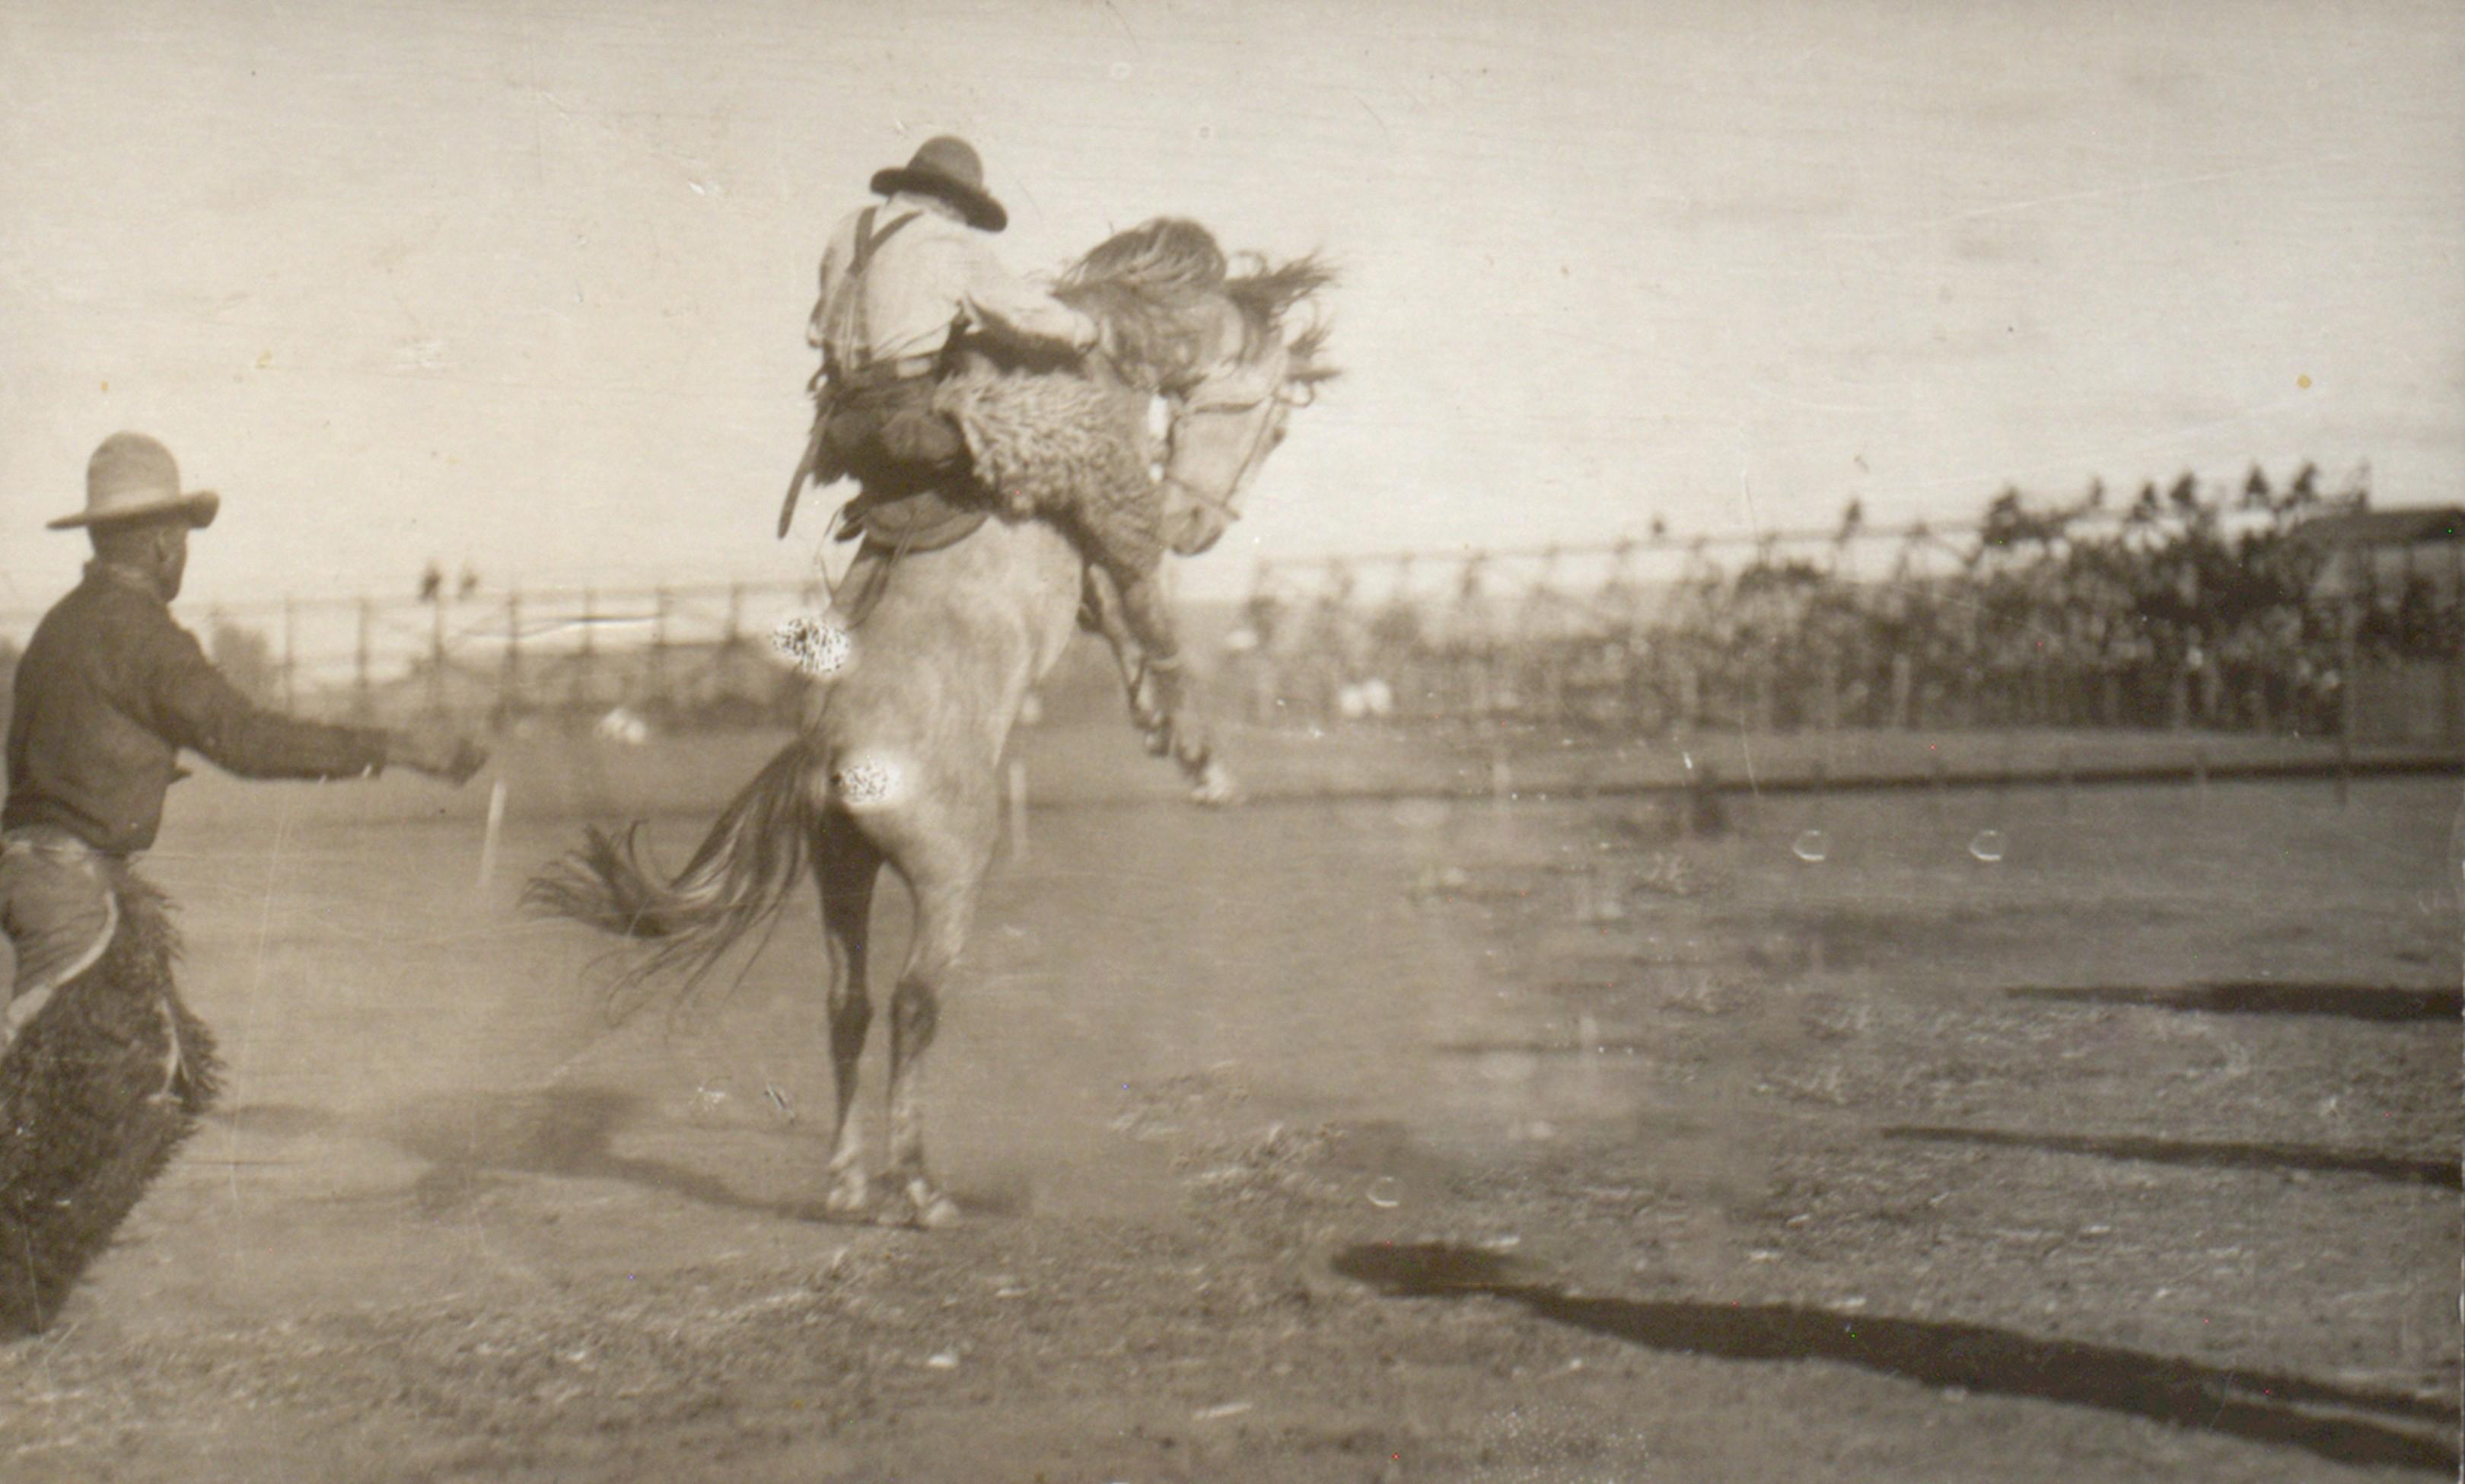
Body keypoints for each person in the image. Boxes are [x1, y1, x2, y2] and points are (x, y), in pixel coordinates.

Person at [0, 432, 485, 1049]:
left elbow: (37, 757)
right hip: (72, 891)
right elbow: (246, 740)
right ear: (162, 545)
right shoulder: (146, 638)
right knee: (67, 1088)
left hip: (31, 874)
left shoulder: (57, 628)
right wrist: (396, 747)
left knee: (142, 1080)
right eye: (183, 542)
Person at [779, 134, 1103, 533]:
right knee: (1033, 446)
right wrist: (1084, 330)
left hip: (840, 426)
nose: (966, 223)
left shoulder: (847, 229)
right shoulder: (946, 239)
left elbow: (821, 326)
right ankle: (1019, 509)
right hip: (906, 420)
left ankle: (878, 498)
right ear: (953, 203)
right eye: (966, 213)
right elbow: (1021, 315)